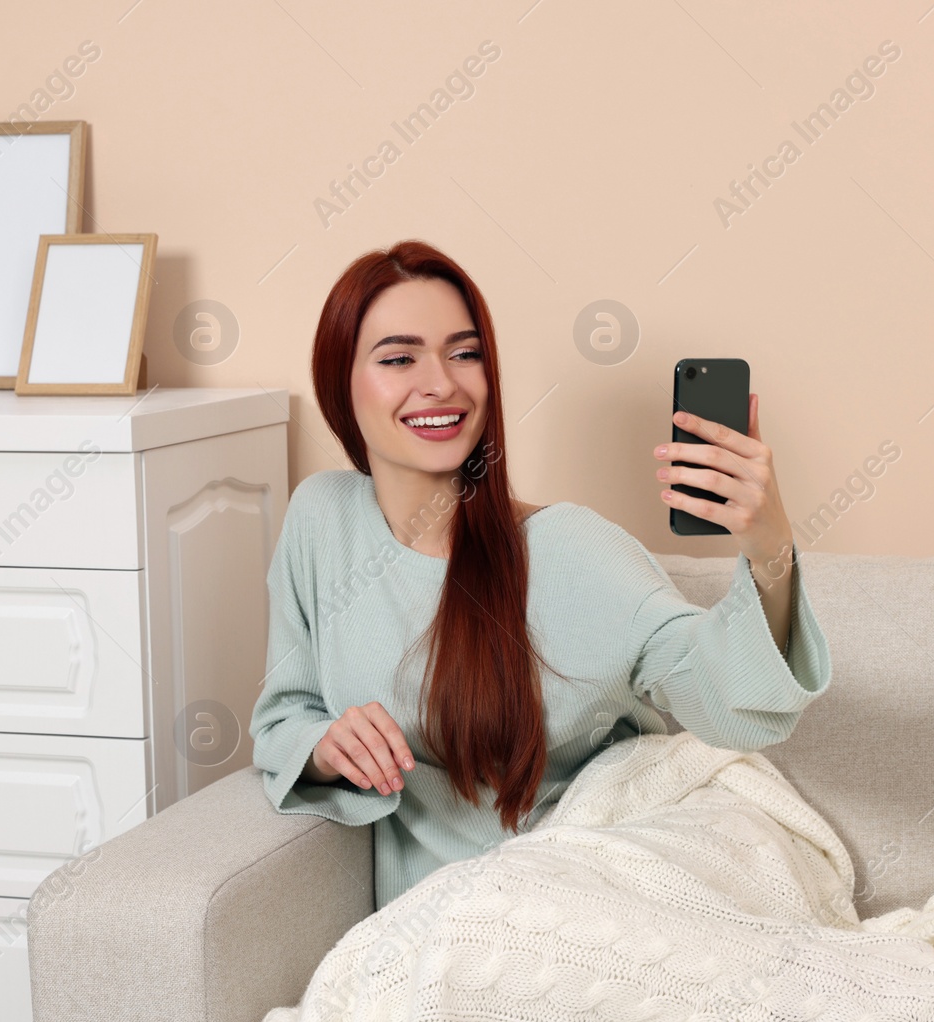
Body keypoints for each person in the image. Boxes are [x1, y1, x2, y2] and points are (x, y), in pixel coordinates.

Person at [249, 239, 832, 909]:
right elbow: (283, 716)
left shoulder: (570, 551)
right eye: (399, 358)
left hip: (597, 892)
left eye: (464, 353)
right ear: (340, 382)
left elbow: (733, 702)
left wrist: (771, 549)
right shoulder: (321, 519)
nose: (440, 382)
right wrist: (327, 746)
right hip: (440, 922)